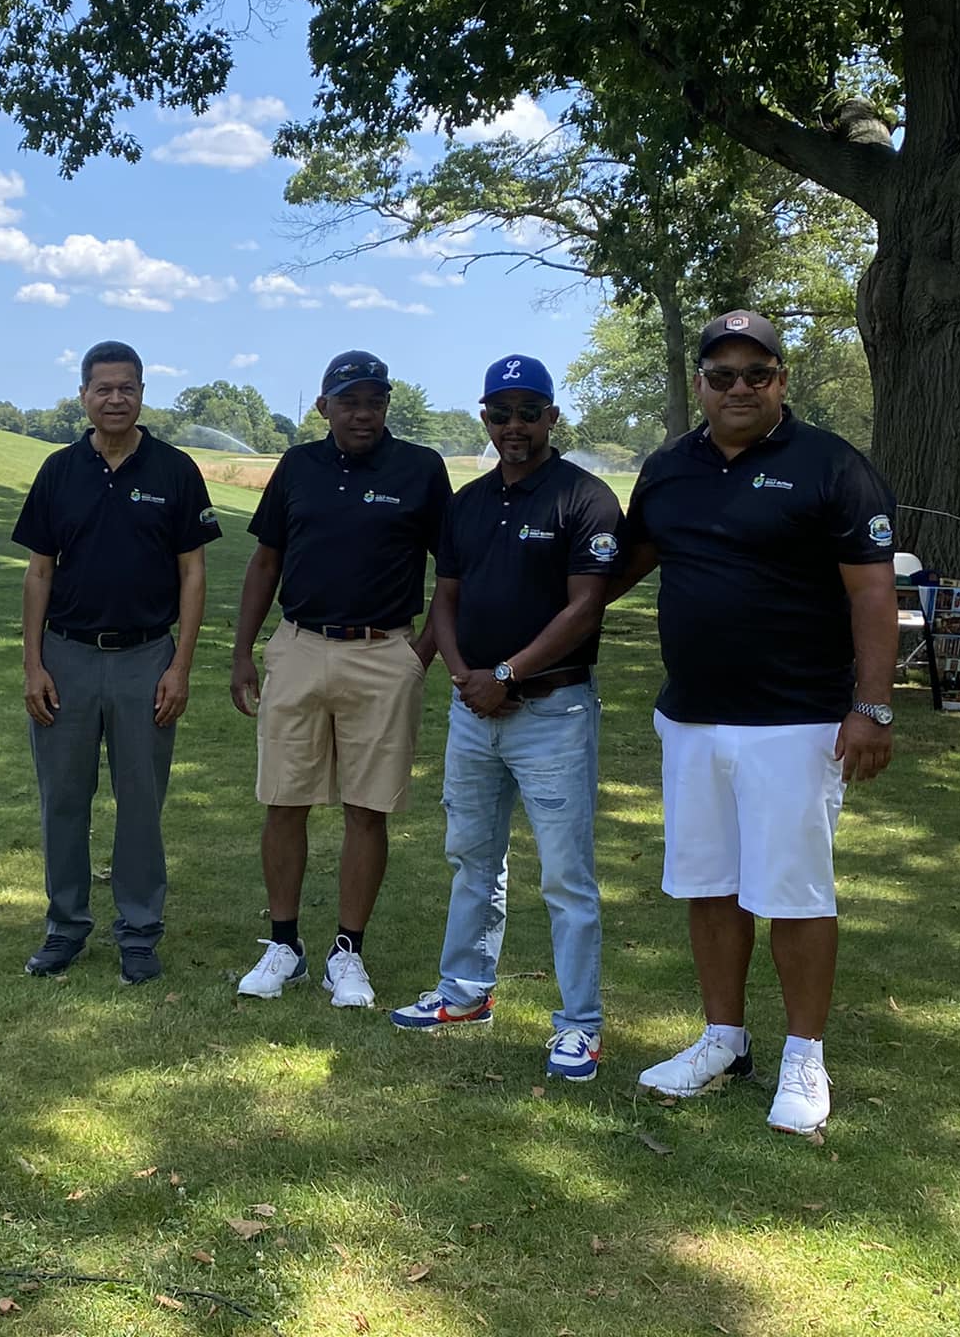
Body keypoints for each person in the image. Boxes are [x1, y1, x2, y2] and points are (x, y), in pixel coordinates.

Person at [610, 311, 897, 1135]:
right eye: (722, 375)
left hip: (797, 722)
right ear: (700, 383)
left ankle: (804, 1058)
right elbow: (620, 567)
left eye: (756, 373)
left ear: (781, 381)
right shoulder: (669, 468)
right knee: (710, 885)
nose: (739, 387)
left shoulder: (832, 466)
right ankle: (723, 1041)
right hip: (692, 719)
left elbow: (873, 593)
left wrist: (872, 706)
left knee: (796, 892)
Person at [389, 356, 621, 1084]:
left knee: (566, 877)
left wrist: (508, 675)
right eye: (499, 414)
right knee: (471, 857)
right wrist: (464, 674)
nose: (513, 426)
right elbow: (447, 597)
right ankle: (464, 992)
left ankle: (580, 1026)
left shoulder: (584, 498)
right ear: (484, 418)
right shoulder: (468, 501)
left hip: (552, 711)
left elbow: (586, 606)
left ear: (552, 416)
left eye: (527, 412)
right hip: (473, 710)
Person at [229, 350, 451, 1008]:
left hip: (384, 651)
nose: (363, 414)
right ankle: (285, 945)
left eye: (374, 402)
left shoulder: (420, 468)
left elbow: (454, 571)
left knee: (367, 806)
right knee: (284, 799)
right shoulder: (299, 465)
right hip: (300, 645)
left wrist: (422, 653)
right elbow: (265, 562)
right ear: (324, 407)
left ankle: (346, 952)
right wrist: (243, 652)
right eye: (349, 402)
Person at [15, 341, 221, 985]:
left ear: (141, 394)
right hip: (66, 657)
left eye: (126, 388)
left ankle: (138, 930)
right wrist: (33, 664)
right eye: (102, 388)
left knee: (139, 803)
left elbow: (193, 574)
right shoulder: (59, 470)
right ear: (83, 395)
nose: (115, 399)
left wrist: (180, 665)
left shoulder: (174, 470)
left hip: (146, 658)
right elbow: (38, 572)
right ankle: (65, 927)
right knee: (63, 800)